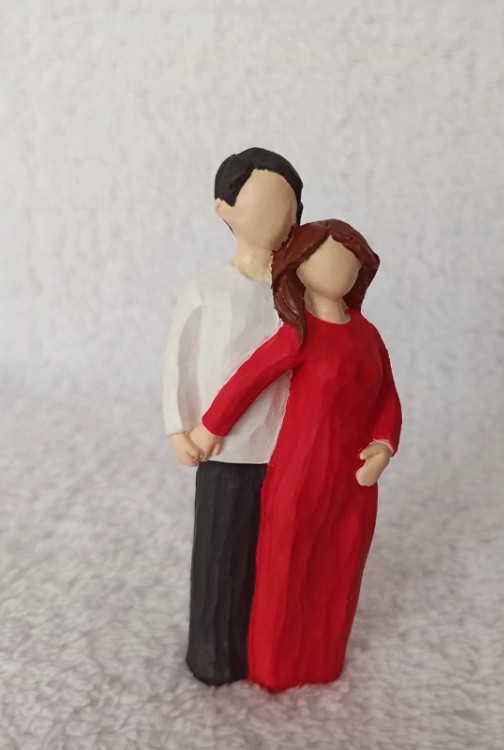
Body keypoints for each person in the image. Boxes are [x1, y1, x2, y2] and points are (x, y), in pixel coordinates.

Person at [190, 219, 402, 692]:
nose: (340, 268)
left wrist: (384, 446)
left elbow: (387, 396)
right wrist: (209, 428)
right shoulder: (300, 333)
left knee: (340, 567)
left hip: (356, 480)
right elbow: (249, 380)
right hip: (302, 472)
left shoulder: (368, 335)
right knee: (288, 568)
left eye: (351, 259)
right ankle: (276, 667)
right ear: (299, 267)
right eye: (326, 258)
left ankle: (323, 660)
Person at [162, 147, 303, 686]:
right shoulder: (206, 291)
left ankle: (267, 652)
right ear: (224, 208)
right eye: (264, 203)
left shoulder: (295, 294)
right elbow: (179, 360)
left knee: (272, 559)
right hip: (222, 451)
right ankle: (214, 653)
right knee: (221, 557)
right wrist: (178, 425)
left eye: (288, 207)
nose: (278, 217)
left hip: (287, 449)